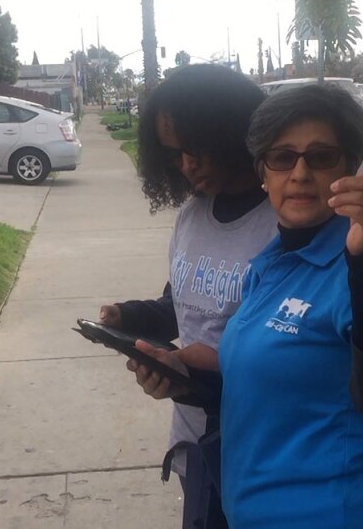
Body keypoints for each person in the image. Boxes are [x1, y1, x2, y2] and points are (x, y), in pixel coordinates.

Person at [133, 85, 363, 528]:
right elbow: (262, 393)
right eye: (283, 158)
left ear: (349, 167)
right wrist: (180, 377)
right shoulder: (269, 265)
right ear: (263, 173)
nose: (301, 173)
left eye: (321, 156)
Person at [97, 64, 278, 524]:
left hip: (264, 446)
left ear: (232, 133)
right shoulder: (192, 215)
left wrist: (197, 377)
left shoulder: (282, 225)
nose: (187, 165)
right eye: (175, 154)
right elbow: (178, 307)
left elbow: (289, 350)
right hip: (196, 437)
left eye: (196, 148)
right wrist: (129, 315)